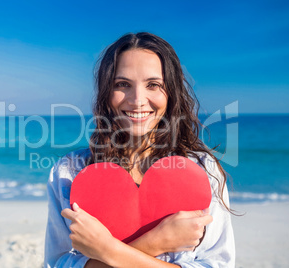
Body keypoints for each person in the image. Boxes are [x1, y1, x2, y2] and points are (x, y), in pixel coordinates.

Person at [44, 32, 235, 268]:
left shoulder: (202, 171)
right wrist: (155, 242)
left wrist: (106, 251)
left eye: (153, 85)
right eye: (122, 84)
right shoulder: (69, 172)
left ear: (171, 93)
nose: (137, 100)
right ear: (105, 92)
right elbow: (56, 263)